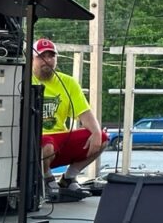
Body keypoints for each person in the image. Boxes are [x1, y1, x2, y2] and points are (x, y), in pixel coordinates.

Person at [32, 38, 107, 200]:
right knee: (47, 144)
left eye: (51, 56)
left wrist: (96, 132)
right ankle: (47, 180)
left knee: (102, 137)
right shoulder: (23, 79)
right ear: (32, 59)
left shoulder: (68, 82)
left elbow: (84, 113)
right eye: (42, 56)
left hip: (59, 140)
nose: (47, 60)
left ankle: (68, 178)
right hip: (35, 144)